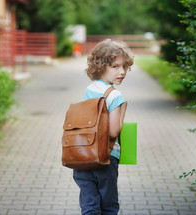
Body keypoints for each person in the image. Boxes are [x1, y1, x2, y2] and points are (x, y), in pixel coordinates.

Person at [73, 38, 134, 215]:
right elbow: (114, 130)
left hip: (83, 155)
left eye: (124, 66)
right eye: (115, 66)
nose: (121, 71)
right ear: (100, 66)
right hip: (106, 158)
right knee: (108, 206)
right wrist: (122, 110)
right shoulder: (115, 95)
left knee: (89, 205)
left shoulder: (90, 89)